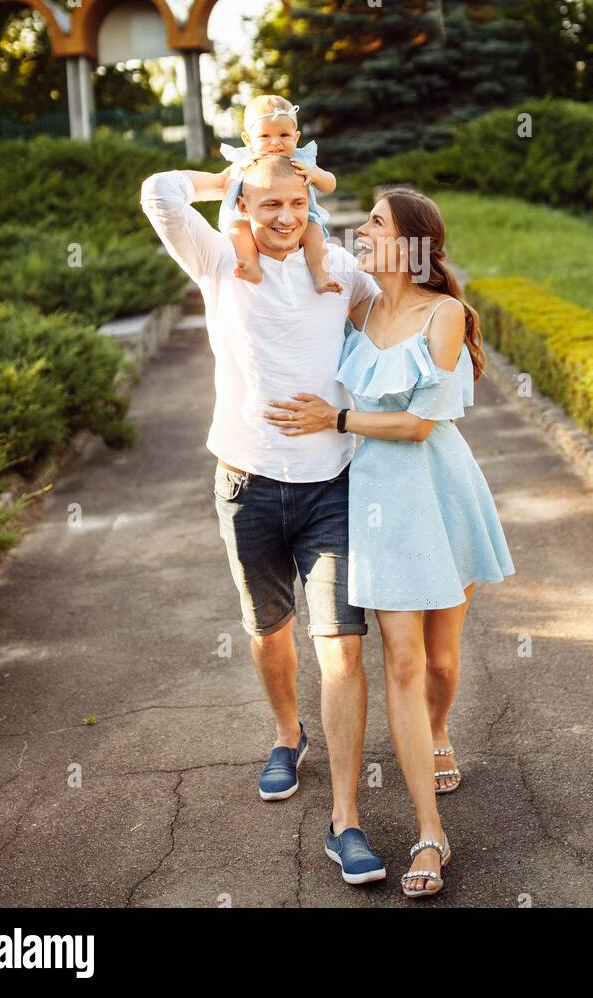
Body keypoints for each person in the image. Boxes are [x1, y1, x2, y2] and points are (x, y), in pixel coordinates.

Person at [139, 151, 388, 886]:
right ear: (247, 208)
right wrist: (227, 180)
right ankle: (288, 735)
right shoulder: (219, 262)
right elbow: (158, 193)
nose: (284, 218)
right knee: (267, 631)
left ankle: (346, 821)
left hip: (330, 487)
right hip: (246, 485)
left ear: (310, 202)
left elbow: (400, 311)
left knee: (341, 649)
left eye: (295, 204)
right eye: (267, 205)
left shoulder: (339, 268)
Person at [265, 187, 516, 898]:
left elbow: (418, 426)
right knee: (402, 659)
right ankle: (429, 833)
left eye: (374, 220)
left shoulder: (446, 316)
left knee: (439, 659)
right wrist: (284, 179)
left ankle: (439, 731)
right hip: (373, 504)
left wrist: (337, 419)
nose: (362, 229)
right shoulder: (359, 305)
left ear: (410, 241)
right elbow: (302, 239)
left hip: (438, 494)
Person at [218, 94, 339, 293]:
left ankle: (321, 276)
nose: (275, 143)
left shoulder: (301, 159)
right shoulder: (245, 160)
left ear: (296, 137)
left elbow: (330, 184)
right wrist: (238, 171)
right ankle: (250, 266)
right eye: (265, 136)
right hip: (249, 217)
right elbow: (226, 187)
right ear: (248, 139)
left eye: (284, 135)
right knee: (239, 231)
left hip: (301, 218)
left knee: (314, 232)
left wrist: (315, 174)